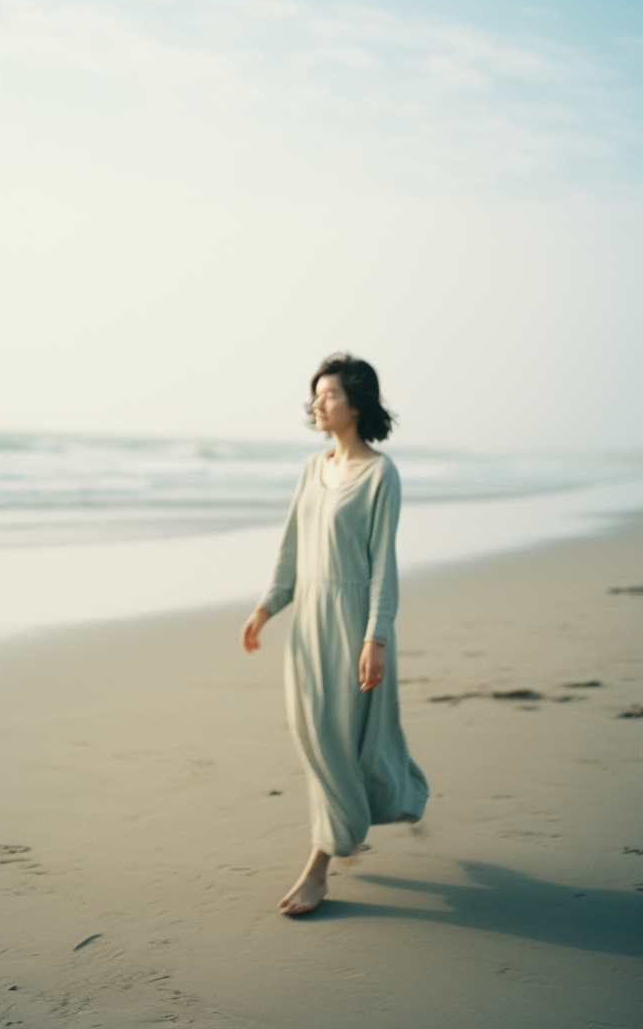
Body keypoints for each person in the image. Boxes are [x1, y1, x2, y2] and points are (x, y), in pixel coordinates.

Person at [240, 353, 428, 915]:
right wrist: (268, 604)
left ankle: (319, 868)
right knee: (315, 735)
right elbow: (291, 546)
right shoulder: (312, 466)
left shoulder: (380, 474)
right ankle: (398, 798)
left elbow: (382, 567)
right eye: (316, 395)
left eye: (330, 395)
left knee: (337, 739)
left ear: (357, 403)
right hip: (308, 623)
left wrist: (376, 638)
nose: (318, 404)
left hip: (350, 626)